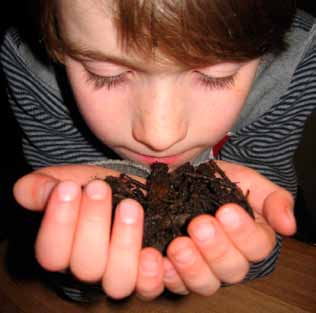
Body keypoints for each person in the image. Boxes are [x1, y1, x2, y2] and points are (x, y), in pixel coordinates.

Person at [0, 0, 315, 303]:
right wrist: (83, 268)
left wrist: (248, 252)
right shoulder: (32, 62)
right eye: (104, 74)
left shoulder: (293, 57)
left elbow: (268, 235)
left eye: (215, 76)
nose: (159, 136)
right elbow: (59, 264)